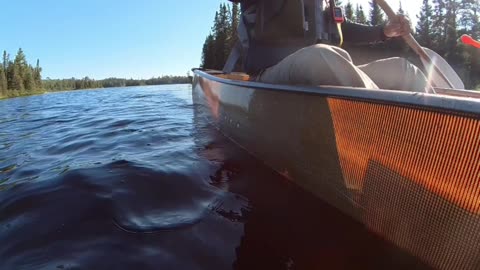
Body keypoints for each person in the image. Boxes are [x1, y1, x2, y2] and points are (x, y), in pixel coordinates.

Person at [225, 0, 436, 93]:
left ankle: (442, 145)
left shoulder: (323, 3)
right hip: (269, 76)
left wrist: (384, 31)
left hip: (323, 69)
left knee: (401, 70)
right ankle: (380, 125)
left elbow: (344, 30)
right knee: (320, 58)